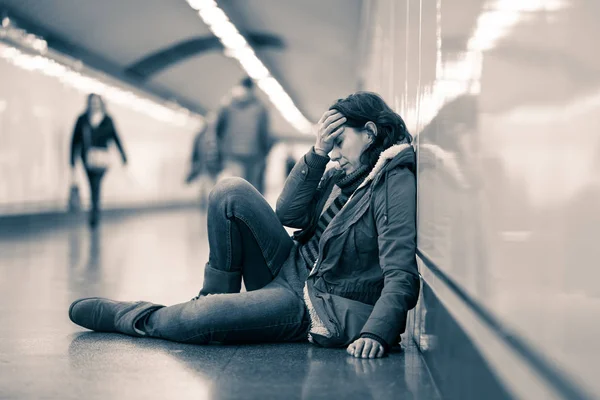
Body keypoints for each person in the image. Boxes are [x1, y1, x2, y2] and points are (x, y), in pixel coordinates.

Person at [68, 92, 420, 359]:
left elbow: (401, 273)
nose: (334, 153)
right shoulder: (342, 175)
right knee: (230, 191)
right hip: (289, 267)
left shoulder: (392, 182)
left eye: (339, 142)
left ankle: (131, 317)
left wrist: (376, 333)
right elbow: (288, 215)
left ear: (370, 133)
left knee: (203, 318)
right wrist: (316, 153)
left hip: (310, 301)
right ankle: (212, 296)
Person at [70, 94, 128, 227]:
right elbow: (74, 140)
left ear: (101, 104)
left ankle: (94, 212)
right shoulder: (82, 119)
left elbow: (115, 137)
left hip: (102, 159)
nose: (94, 105)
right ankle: (95, 211)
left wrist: (123, 156)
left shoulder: (107, 120)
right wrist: (72, 160)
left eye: (96, 102)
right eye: (92, 102)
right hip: (87, 158)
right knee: (93, 184)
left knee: (95, 184)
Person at [215, 77, 273, 194]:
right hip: (254, 155)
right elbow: (264, 133)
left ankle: (234, 210)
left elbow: (218, 129)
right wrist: (265, 152)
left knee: (235, 187)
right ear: (252, 89)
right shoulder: (260, 108)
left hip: (231, 154)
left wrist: (221, 149)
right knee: (251, 189)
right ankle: (248, 211)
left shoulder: (227, 106)